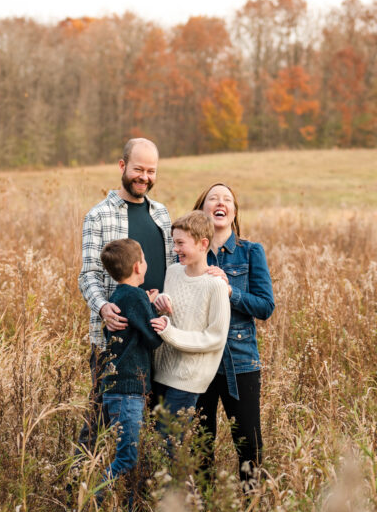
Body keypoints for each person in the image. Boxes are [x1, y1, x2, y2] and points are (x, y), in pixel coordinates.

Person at [76, 138, 174, 458]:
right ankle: (80, 480)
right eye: (137, 169)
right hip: (116, 341)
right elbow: (88, 274)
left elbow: (172, 268)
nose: (144, 177)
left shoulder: (161, 215)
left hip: (156, 334)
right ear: (122, 167)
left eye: (151, 171)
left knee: (154, 415)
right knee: (101, 413)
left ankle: (138, 486)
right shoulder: (99, 216)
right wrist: (103, 307)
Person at [191, 183, 275, 492]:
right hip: (199, 364)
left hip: (240, 362)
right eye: (213, 197)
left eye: (227, 199)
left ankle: (252, 511)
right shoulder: (187, 253)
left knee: (249, 446)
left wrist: (230, 292)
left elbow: (265, 306)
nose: (220, 202)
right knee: (200, 445)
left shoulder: (251, 252)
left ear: (234, 212)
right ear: (202, 209)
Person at [150, 211, 231, 448]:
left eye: (180, 243)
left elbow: (215, 338)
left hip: (187, 379)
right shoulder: (173, 272)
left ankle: (176, 487)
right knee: (154, 443)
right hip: (161, 371)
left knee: (167, 447)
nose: (175, 249)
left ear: (203, 243)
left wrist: (169, 333)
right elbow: (173, 313)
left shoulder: (215, 286)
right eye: (174, 242)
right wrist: (161, 301)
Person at [96, 238, 167, 489]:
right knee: (126, 458)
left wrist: (145, 304)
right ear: (138, 266)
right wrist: (158, 312)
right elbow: (153, 338)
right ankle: (87, 503)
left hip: (117, 390)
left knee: (128, 454)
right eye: (145, 259)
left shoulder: (119, 295)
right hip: (128, 391)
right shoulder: (136, 298)